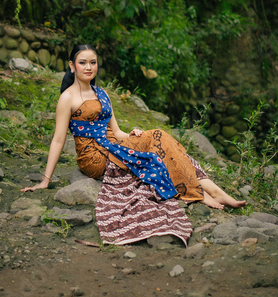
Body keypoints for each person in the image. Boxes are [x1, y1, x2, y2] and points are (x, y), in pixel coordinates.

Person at [21, 44, 246, 245]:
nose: (88, 67)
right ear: (72, 66)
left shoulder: (102, 93)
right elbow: (59, 139)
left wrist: (135, 135)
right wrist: (45, 180)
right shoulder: (67, 98)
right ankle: (199, 192)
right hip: (94, 157)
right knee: (155, 151)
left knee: (156, 136)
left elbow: (117, 132)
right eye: (82, 63)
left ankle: (213, 190)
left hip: (113, 144)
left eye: (93, 62)